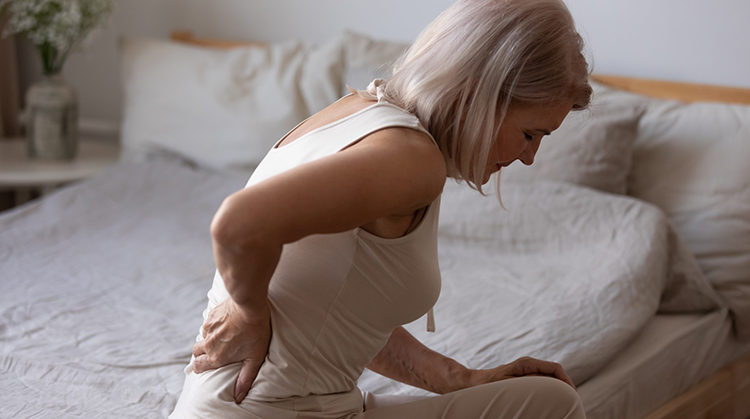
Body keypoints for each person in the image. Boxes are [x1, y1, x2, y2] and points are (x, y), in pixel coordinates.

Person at [170, 0, 593, 417]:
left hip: (263, 404)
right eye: (530, 133)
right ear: (478, 94)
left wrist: (461, 380)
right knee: (552, 405)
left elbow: (337, 316)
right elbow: (238, 224)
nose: (529, 157)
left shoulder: (359, 112)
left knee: (538, 397)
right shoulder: (412, 160)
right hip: (273, 410)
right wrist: (248, 312)